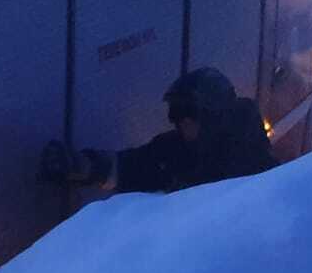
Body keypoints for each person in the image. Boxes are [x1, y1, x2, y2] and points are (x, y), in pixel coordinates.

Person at [40, 68, 276, 195]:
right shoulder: (178, 149)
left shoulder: (255, 170)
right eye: (174, 112)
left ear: (214, 116)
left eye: (187, 112)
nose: (179, 121)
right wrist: (86, 167)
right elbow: (135, 165)